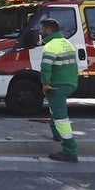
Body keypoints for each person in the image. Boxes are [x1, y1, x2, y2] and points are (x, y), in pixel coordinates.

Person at [40, 17, 79, 162]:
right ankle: (56, 134)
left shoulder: (50, 46)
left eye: (42, 29)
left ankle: (70, 150)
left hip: (57, 85)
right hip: (69, 83)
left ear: (49, 30)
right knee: (54, 109)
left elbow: (46, 67)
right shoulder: (67, 43)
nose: (40, 32)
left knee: (61, 118)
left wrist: (45, 83)